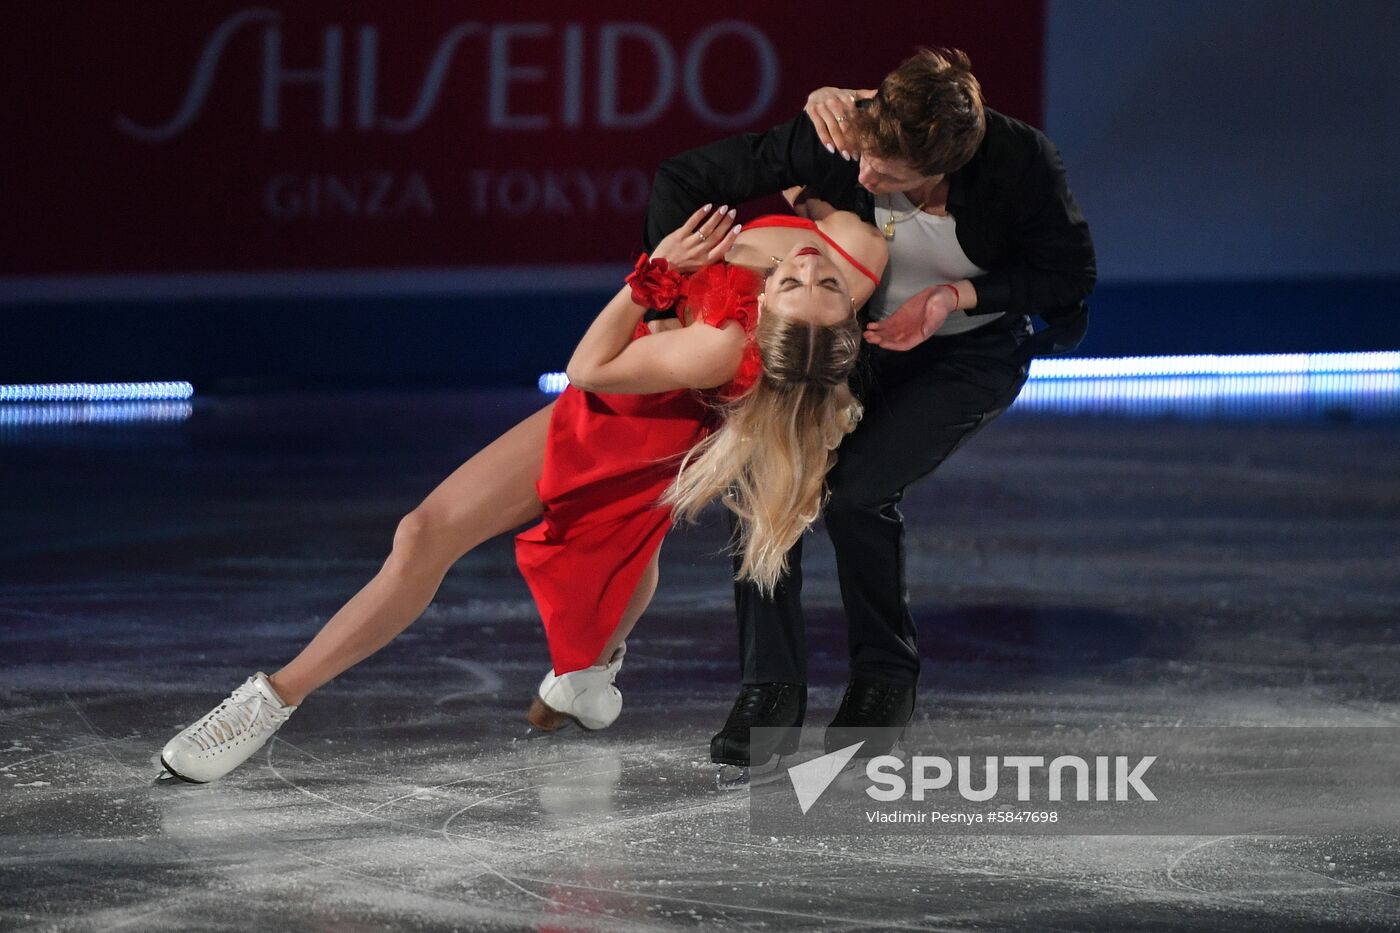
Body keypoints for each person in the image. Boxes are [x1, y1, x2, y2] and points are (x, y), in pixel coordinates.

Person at [159, 204, 887, 783]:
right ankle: (590, 668)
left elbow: (588, 366)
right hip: (635, 421)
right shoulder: (838, 262)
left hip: (623, 427)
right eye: (810, 282)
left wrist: (650, 278)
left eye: (807, 286)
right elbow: (808, 177)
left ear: (769, 322)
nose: (809, 273)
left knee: (519, 544)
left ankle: (265, 704)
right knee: (437, 535)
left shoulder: (725, 343)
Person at [642, 48, 1096, 769]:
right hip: (852, 345)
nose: (865, 176)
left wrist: (953, 297)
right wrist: (665, 309)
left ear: (945, 167)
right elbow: (684, 178)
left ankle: (885, 677)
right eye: (867, 153)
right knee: (768, 477)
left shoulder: (1017, 162)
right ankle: (771, 687)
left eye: (890, 174)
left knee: (857, 491)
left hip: (966, 355)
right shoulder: (845, 132)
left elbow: (1070, 271)